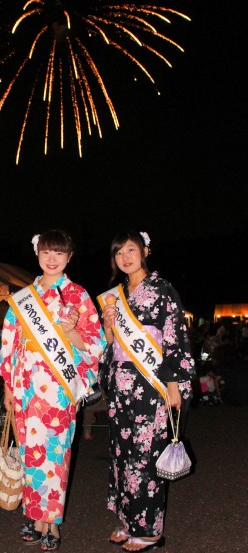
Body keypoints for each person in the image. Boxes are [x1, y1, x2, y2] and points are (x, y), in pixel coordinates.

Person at [0, 230, 105, 552]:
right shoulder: (23, 298)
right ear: (37, 254)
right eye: (47, 252)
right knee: (31, 455)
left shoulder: (79, 295)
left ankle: (51, 521)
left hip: (59, 390)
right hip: (26, 388)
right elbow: (9, 345)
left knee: (55, 455)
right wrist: (8, 390)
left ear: (69, 257)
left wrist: (72, 333)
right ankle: (33, 515)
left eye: (59, 253)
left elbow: (95, 345)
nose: (52, 258)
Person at [98, 231, 195, 552]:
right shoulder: (116, 294)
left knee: (146, 457)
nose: (125, 257)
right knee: (122, 456)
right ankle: (128, 521)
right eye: (118, 253)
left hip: (151, 387)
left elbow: (174, 338)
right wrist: (109, 324)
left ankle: (150, 530)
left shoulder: (163, 291)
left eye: (130, 250)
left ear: (145, 251)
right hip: (122, 389)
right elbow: (111, 346)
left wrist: (173, 385)